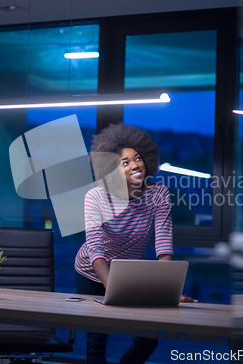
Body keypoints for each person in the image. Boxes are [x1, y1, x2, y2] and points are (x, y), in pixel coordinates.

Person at [74, 123, 194, 364]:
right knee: (97, 340)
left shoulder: (158, 195)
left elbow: (163, 247)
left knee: (147, 339)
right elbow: (95, 250)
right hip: (91, 273)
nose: (135, 164)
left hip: (129, 276)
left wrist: (167, 290)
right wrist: (115, 290)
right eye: (124, 162)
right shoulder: (96, 196)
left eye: (137, 158)